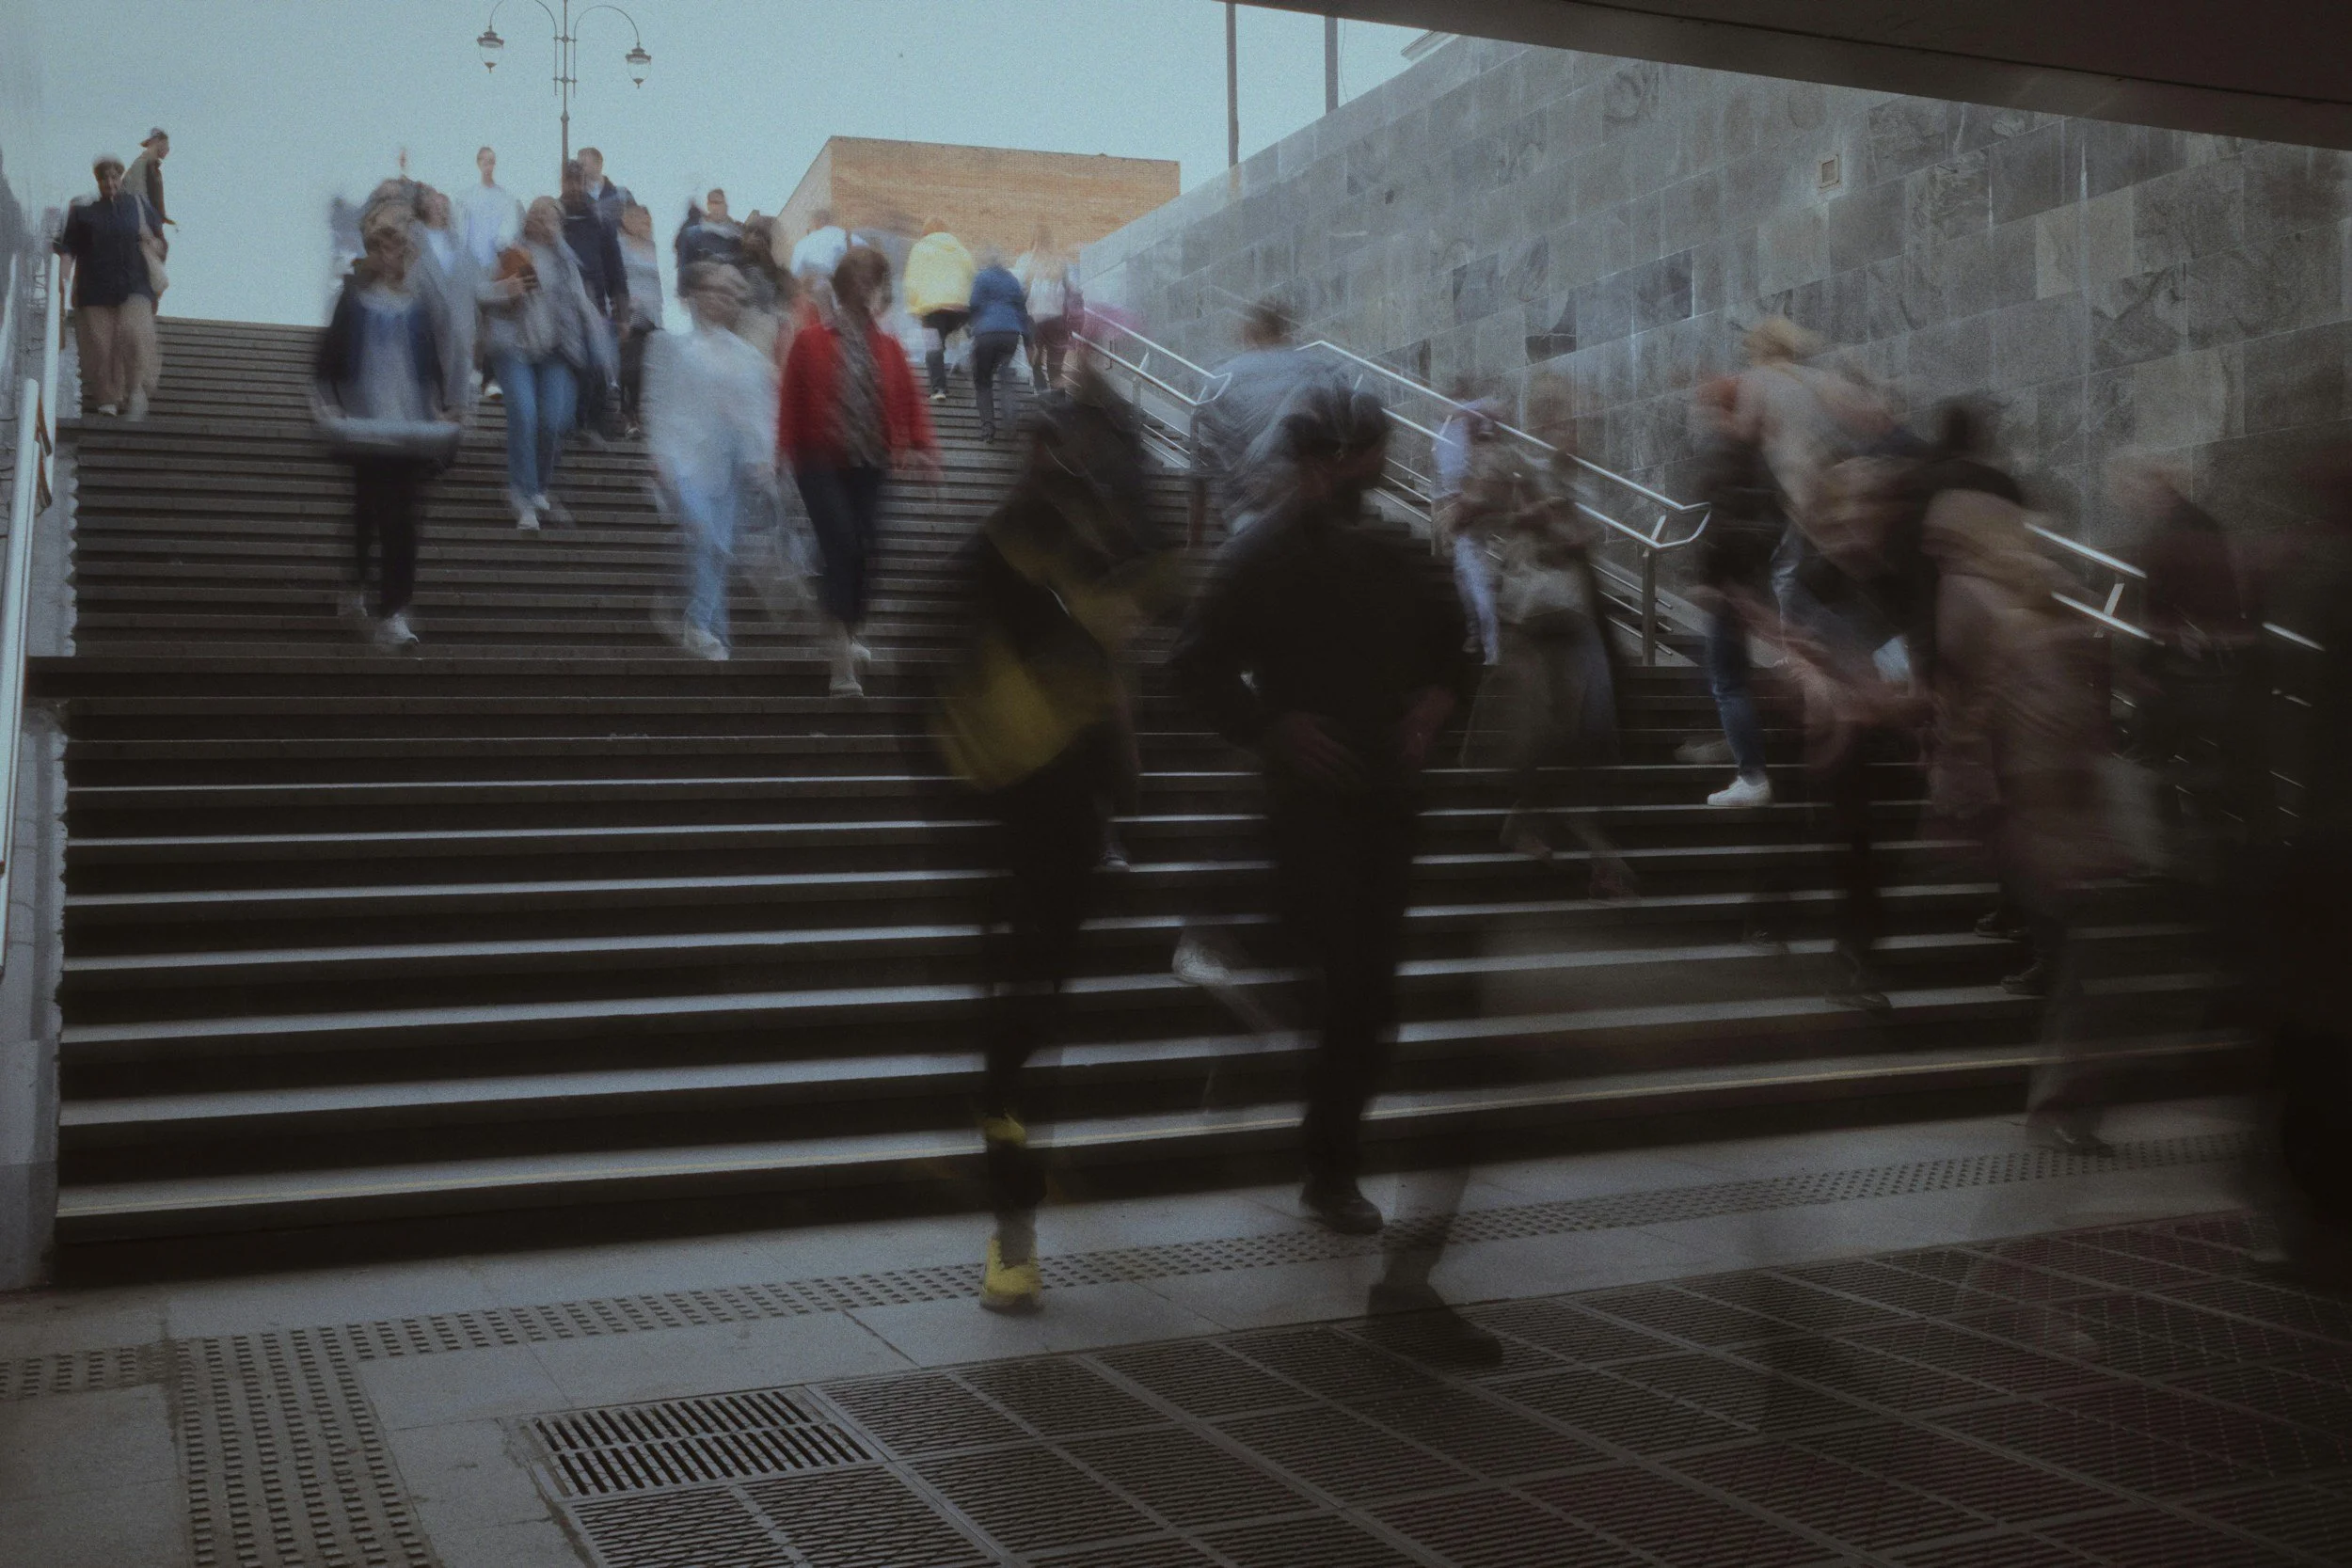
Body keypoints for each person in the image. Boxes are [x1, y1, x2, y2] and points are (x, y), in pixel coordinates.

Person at [1170, 383, 1476, 1235]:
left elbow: (1459, 651)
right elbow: (1192, 664)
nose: (1366, 468)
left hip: (1383, 803)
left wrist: (1435, 704)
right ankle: (1314, 1136)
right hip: (1304, 804)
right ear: (1322, 459)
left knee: (1364, 993)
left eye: (1366, 452)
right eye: (1354, 453)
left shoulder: (1394, 550)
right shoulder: (1261, 552)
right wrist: (1271, 726)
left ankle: (1329, 1163)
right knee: (1331, 976)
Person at [933, 359, 1177, 1313]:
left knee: (1035, 1030)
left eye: (1062, 454)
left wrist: (1126, 796)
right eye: (1041, 451)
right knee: (1013, 1037)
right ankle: (1012, 1223)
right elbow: (932, 707)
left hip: (1063, 838)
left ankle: (1021, 1194)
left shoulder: (1080, 573)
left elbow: (1114, 690)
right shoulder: (977, 570)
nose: (1052, 467)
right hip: (1000, 841)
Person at [1476, 378, 1632, 895]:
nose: (1573, 433)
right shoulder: (1532, 471)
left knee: (1590, 728)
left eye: (1576, 423)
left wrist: (1568, 530)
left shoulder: (1579, 480)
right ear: (1545, 426)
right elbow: (1506, 525)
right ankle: (1598, 855)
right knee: (1561, 733)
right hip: (1539, 616)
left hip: (1577, 610)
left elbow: (1583, 538)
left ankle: (1541, 827)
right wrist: (1541, 518)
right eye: (1562, 423)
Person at [779, 245, 940, 696]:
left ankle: (848, 627)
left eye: (875, 280)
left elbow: (910, 399)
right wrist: (781, 454)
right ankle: (840, 661)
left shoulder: (887, 346)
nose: (867, 288)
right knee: (842, 545)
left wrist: (926, 448)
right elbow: (790, 398)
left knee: (870, 551)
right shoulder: (811, 340)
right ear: (844, 285)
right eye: (860, 279)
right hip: (818, 462)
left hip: (871, 462)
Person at [314, 207, 457, 648]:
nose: (393, 256)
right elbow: (329, 358)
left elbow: (431, 366)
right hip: (365, 425)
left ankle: (393, 612)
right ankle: (356, 581)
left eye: (398, 248)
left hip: (408, 429)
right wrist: (329, 404)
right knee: (367, 512)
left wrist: (440, 409)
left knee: (404, 522)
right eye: (384, 247)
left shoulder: (417, 307)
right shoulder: (354, 300)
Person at [645, 263, 780, 662]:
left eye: (730, 294)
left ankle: (712, 630)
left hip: (730, 465)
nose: (721, 300)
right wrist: (658, 453)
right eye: (713, 290)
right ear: (697, 294)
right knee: (707, 537)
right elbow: (656, 401)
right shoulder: (668, 345)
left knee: (719, 546)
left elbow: (759, 412)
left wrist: (764, 456)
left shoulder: (747, 357)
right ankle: (699, 622)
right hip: (684, 458)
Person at [1690, 373, 1786, 808]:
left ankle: (1751, 772)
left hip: (1731, 584)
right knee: (1733, 676)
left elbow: (1719, 524)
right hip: (1751, 580)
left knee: (1727, 681)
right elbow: (1774, 520)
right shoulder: (1757, 456)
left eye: (1707, 407)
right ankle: (1735, 748)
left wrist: (1713, 579)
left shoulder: (1723, 452)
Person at [479, 197, 603, 531]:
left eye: (550, 215)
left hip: (556, 350)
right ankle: (524, 495)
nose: (542, 220)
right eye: (537, 213)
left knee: (552, 421)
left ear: (560, 224)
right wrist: (507, 288)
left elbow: (583, 309)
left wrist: (602, 351)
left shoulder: (567, 263)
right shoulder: (511, 252)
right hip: (513, 346)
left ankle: (538, 488)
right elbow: (480, 293)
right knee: (524, 412)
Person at [1193, 297, 1336, 537]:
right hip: (1310, 506)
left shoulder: (1222, 379)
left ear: (1248, 333)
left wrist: (1194, 537)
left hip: (1249, 510)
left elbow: (1201, 462)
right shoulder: (1318, 370)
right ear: (1284, 330)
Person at [56, 154, 165, 420]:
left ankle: (136, 389)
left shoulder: (137, 204)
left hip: (134, 283)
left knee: (134, 336)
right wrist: (64, 272)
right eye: (104, 178)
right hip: (95, 287)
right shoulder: (84, 210)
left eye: (114, 177)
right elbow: (69, 244)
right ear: (98, 181)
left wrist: (153, 243)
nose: (110, 182)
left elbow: (159, 239)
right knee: (102, 346)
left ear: (121, 177)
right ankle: (109, 398)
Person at [1434, 383, 1505, 666]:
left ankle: (1491, 643)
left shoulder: (1460, 423)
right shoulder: (1446, 430)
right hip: (1464, 503)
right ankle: (1478, 633)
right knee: (1464, 574)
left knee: (1473, 574)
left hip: (1470, 503)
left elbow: (1494, 406)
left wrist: (1462, 409)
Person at [407, 187, 478, 417]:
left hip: (458, 332)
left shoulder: (461, 247)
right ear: (424, 206)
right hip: (423, 326)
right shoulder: (410, 239)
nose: (442, 205)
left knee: (453, 405)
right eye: (436, 201)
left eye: (445, 204)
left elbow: (480, 286)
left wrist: (507, 291)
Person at [904, 219, 975, 403]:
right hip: (960, 307)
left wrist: (914, 306)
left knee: (934, 347)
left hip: (932, 308)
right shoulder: (961, 249)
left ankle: (939, 389)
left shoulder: (921, 248)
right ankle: (961, 363)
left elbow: (912, 279)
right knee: (955, 335)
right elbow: (972, 276)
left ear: (926, 233)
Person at [965, 248, 1030, 442]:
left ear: (987, 261)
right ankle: (1010, 423)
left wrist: (970, 327)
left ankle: (988, 429)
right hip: (1010, 334)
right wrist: (1028, 340)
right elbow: (1022, 310)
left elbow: (974, 304)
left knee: (983, 381)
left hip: (986, 334)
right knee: (1005, 377)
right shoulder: (1012, 280)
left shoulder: (982, 277)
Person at [615, 203, 664, 436]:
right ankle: (628, 413)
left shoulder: (650, 248)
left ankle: (633, 411)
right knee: (631, 365)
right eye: (641, 220)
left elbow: (656, 284)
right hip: (630, 312)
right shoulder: (621, 245)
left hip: (650, 314)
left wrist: (659, 313)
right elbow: (616, 276)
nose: (646, 225)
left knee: (643, 366)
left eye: (648, 221)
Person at [459, 147, 521, 274]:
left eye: (491, 162)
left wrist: (503, 244)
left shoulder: (505, 198)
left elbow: (507, 231)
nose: (488, 166)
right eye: (485, 162)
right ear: (479, 164)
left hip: (496, 264)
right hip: (471, 264)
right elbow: (461, 230)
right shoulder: (466, 197)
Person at [674, 189, 743, 273]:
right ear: (708, 205)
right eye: (713, 203)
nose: (716, 207)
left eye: (719, 203)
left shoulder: (735, 232)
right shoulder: (692, 232)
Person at [789, 205, 850, 287]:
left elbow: (794, 274)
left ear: (815, 222)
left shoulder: (803, 243)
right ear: (832, 221)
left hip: (818, 292)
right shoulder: (849, 236)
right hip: (849, 288)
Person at [122, 129, 171, 229]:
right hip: (141, 226)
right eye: (166, 144)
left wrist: (162, 217)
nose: (168, 149)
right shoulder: (141, 163)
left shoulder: (155, 170)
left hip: (152, 223)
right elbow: (139, 196)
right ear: (157, 142)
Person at [576, 148, 631, 232]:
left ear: (599, 164)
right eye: (578, 165)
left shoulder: (622, 195)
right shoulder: (574, 198)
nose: (580, 169)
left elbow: (638, 227)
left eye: (583, 164)